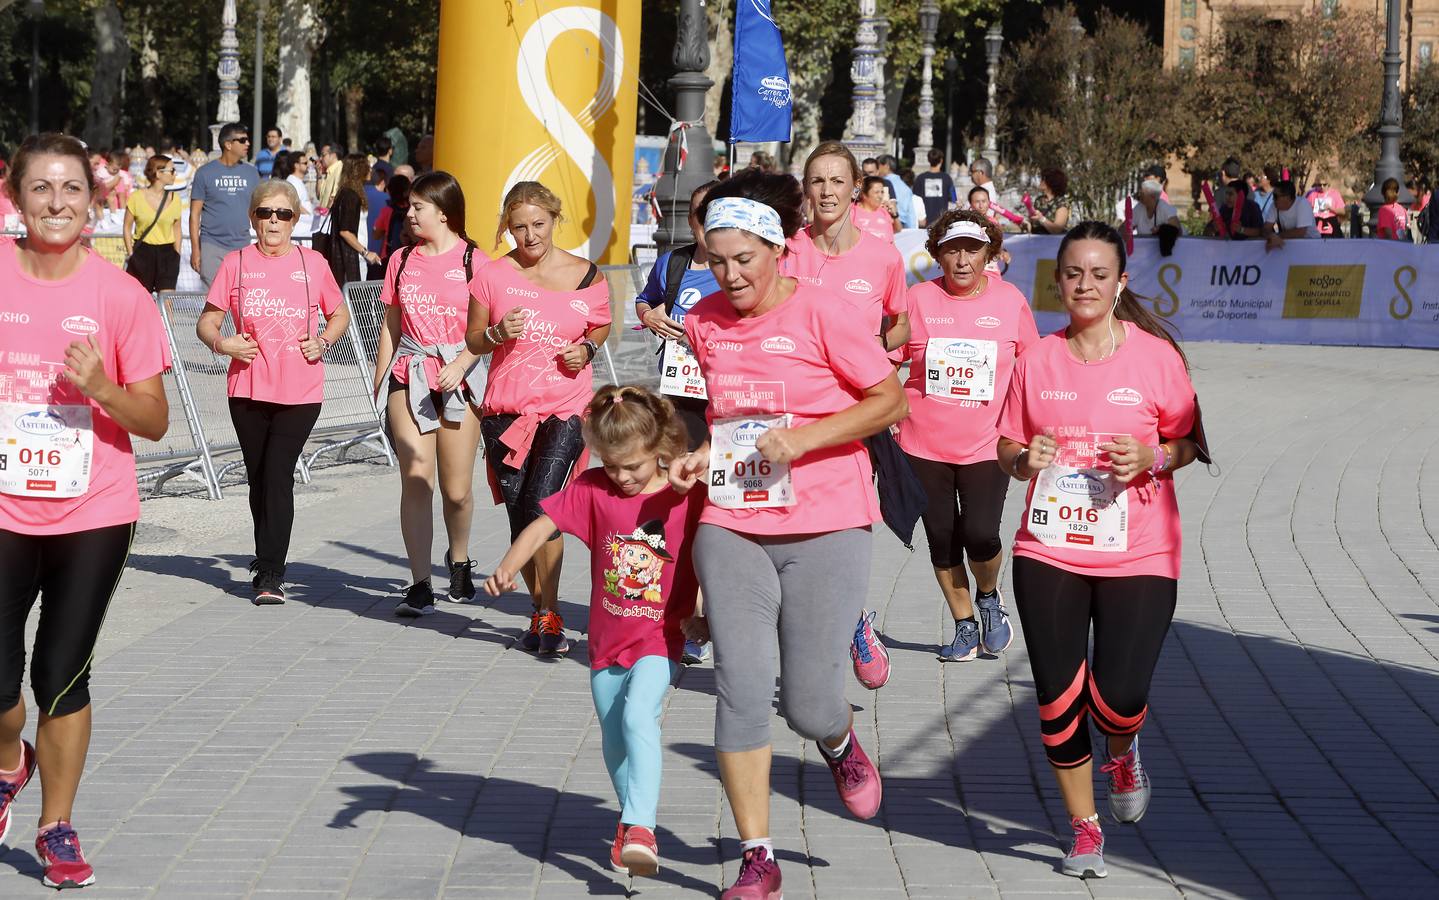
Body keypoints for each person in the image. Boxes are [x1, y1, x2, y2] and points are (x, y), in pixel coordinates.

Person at [668, 170, 908, 899]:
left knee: (806, 703)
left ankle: (836, 741)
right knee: (740, 686)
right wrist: (702, 457)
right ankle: (757, 855)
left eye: (745, 258)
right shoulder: (703, 321)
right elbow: (728, 417)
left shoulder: (826, 314)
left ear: (775, 250)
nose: (731, 274)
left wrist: (801, 442)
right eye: (718, 259)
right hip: (733, 520)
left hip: (827, 519)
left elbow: (888, 401)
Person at [995, 220, 1203, 880]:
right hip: (1048, 548)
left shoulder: (1155, 357)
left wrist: (1153, 456)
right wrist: (1023, 458)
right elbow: (1005, 448)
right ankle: (1084, 830)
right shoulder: (1036, 359)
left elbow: (1188, 443)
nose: (1084, 284)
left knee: (1117, 695)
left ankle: (1123, 748)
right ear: (1056, 280)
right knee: (1058, 697)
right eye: (1072, 273)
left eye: (1098, 274)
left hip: (1137, 549)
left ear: (1119, 283)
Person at [0, 132, 170, 891]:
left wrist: (102, 386)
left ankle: (56, 825)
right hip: (2, 508)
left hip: (93, 510)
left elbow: (156, 420)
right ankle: (11, 760)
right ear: (16, 196)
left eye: (72, 188)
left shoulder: (119, 296)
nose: (57, 202)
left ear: (95, 202)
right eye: (41, 187)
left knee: (59, 675)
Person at [484, 385, 703, 877]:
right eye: (613, 465)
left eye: (634, 467)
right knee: (612, 739)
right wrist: (509, 565)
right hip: (604, 644)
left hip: (659, 636)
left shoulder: (683, 495)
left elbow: (709, 553)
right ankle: (630, 820)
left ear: (661, 449)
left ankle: (643, 825)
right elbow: (542, 524)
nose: (623, 477)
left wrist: (705, 611)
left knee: (638, 719)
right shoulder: (592, 488)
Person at [465, 181, 611, 656]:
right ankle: (540, 610)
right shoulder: (492, 274)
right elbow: (472, 339)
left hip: (565, 407)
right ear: (507, 227)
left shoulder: (587, 276)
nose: (529, 236)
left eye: (538, 225)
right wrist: (495, 331)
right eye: (519, 226)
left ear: (554, 219)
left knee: (544, 507)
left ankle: (550, 613)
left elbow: (601, 324)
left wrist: (586, 348)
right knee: (521, 511)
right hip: (506, 409)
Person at [783, 141, 909, 689]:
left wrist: (880, 364)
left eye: (838, 181)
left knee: (845, 524)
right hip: (787, 413)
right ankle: (805, 633)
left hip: (855, 417)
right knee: (786, 526)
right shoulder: (785, 251)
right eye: (818, 181)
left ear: (855, 188)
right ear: (805, 189)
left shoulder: (882, 257)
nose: (828, 191)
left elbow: (899, 324)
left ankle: (854, 618)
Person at [195, 180, 351, 604]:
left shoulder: (313, 263)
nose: (274, 222)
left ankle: (270, 574)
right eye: (265, 213)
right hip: (246, 386)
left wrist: (324, 340)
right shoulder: (237, 263)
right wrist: (222, 343)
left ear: (295, 219)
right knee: (259, 476)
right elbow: (207, 321)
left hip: (300, 389)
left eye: (283, 214)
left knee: (278, 474)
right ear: (253, 218)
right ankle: (265, 560)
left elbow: (339, 314)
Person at [900, 210, 1037, 662]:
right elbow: (885, 358)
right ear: (937, 253)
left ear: (989, 254)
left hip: (987, 442)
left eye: (972, 250)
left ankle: (989, 597)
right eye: (952, 249)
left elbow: (1033, 368)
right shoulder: (918, 299)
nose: (962, 260)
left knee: (979, 533)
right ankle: (962, 623)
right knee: (941, 536)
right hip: (922, 442)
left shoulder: (1009, 299)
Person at [370, 171, 490, 617]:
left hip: (461, 378)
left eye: (419, 206)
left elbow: (487, 333)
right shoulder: (400, 260)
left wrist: (462, 364)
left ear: (444, 211)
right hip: (410, 374)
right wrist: (382, 381)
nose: (411, 213)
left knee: (456, 491)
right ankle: (419, 582)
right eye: (411, 205)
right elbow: (390, 325)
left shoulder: (476, 262)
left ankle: (458, 560)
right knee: (417, 478)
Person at [633, 181, 721, 665]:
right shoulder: (675, 263)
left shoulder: (747, 268)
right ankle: (678, 617)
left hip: (727, 406)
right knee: (678, 510)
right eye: (695, 214)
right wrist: (649, 315)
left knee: (714, 514)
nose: (702, 222)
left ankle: (702, 620)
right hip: (679, 400)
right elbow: (644, 301)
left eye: (712, 213)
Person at [189, 123, 260, 288]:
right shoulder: (204, 173)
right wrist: (196, 250)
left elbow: (259, 209)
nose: (247, 144)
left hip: (242, 244)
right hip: (211, 244)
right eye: (242, 140)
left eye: (247, 140)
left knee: (242, 297)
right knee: (213, 300)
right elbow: (194, 215)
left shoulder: (251, 173)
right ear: (228, 144)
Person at [123, 154, 184, 292]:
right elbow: (127, 227)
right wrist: (131, 253)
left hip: (168, 253)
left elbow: (177, 228)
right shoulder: (136, 197)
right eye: (172, 170)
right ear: (158, 173)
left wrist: (177, 253)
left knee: (167, 300)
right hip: (143, 252)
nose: (175, 174)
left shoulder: (175, 199)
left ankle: (165, 315)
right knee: (140, 298)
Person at [322, 153, 380, 286]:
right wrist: (366, 253)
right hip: (352, 258)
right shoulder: (351, 195)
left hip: (350, 256)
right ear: (359, 169)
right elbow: (345, 231)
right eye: (367, 166)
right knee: (355, 301)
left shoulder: (347, 192)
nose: (370, 169)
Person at [1264, 179, 1319, 250]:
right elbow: (1265, 228)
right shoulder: (1274, 205)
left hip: (1312, 245)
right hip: (1291, 245)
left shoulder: (1302, 204)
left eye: (1275, 196)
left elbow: (1300, 232)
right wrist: (1271, 235)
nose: (1273, 199)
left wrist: (1277, 236)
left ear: (1287, 197)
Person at [272, 151, 316, 236]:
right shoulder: (293, 181)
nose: (308, 165)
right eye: (305, 163)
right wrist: (309, 216)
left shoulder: (297, 181)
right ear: (296, 165)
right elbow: (295, 204)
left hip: (305, 227)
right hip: (301, 228)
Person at [372, 174, 414, 263]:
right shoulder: (413, 210)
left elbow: (376, 235)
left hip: (389, 256)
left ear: (390, 191)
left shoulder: (387, 210)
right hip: (411, 255)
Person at [913, 149, 958, 228]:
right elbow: (954, 198)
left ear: (928, 160)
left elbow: (915, 198)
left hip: (924, 221)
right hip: (942, 221)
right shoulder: (947, 178)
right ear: (941, 160)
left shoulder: (920, 178)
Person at [852, 175, 901, 243]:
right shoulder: (852, 211)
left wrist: (894, 215)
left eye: (882, 192)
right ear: (864, 195)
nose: (880, 196)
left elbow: (897, 230)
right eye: (876, 192)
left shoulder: (884, 212)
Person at [876, 153, 917, 228]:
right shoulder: (905, 187)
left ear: (886, 166)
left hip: (887, 224)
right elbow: (911, 214)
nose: (876, 170)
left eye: (878, 166)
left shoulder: (881, 184)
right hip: (903, 226)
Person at [1029, 168, 1071, 234]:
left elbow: (1057, 230)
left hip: (1054, 242)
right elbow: (1033, 226)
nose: (1040, 181)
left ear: (1051, 182)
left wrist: (1041, 219)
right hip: (1036, 241)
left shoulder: (1061, 202)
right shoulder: (1038, 200)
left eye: (1043, 179)